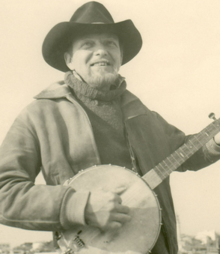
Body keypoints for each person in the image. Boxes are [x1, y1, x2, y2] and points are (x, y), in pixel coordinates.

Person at [0, 2, 220, 254]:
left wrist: (216, 142)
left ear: (120, 57)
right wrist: (79, 205)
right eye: (88, 45)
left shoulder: (143, 115)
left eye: (109, 44)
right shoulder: (40, 116)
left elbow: (185, 153)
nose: (101, 51)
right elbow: (4, 193)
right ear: (69, 60)